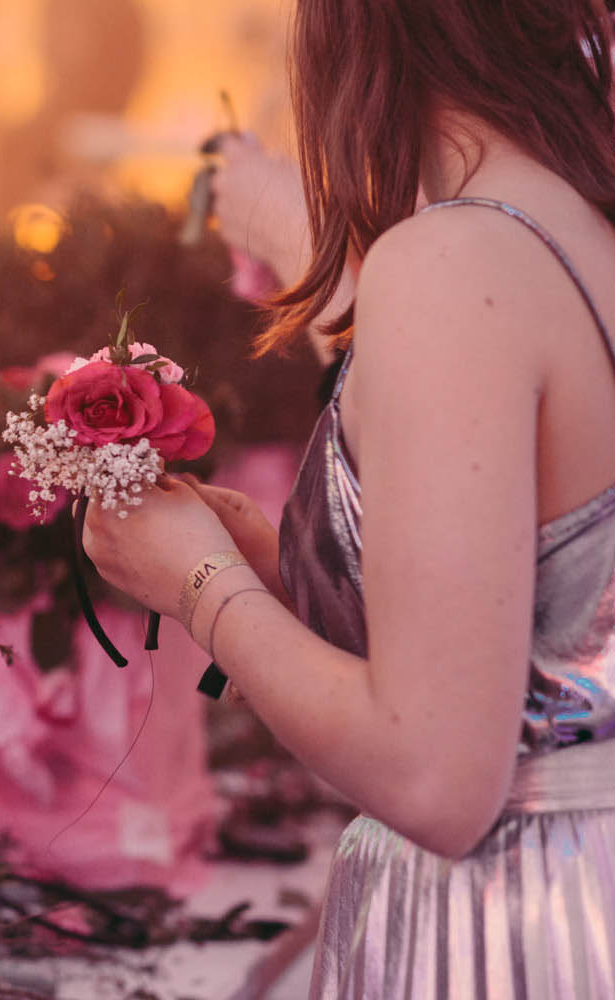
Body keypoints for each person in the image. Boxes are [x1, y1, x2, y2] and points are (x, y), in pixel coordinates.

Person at [81, 1, 615, 995]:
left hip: (508, 930)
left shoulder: (454, 262)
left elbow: (436, 776)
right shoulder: (576, 222)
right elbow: (552, 627)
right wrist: (296, 575)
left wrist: (197, 584)